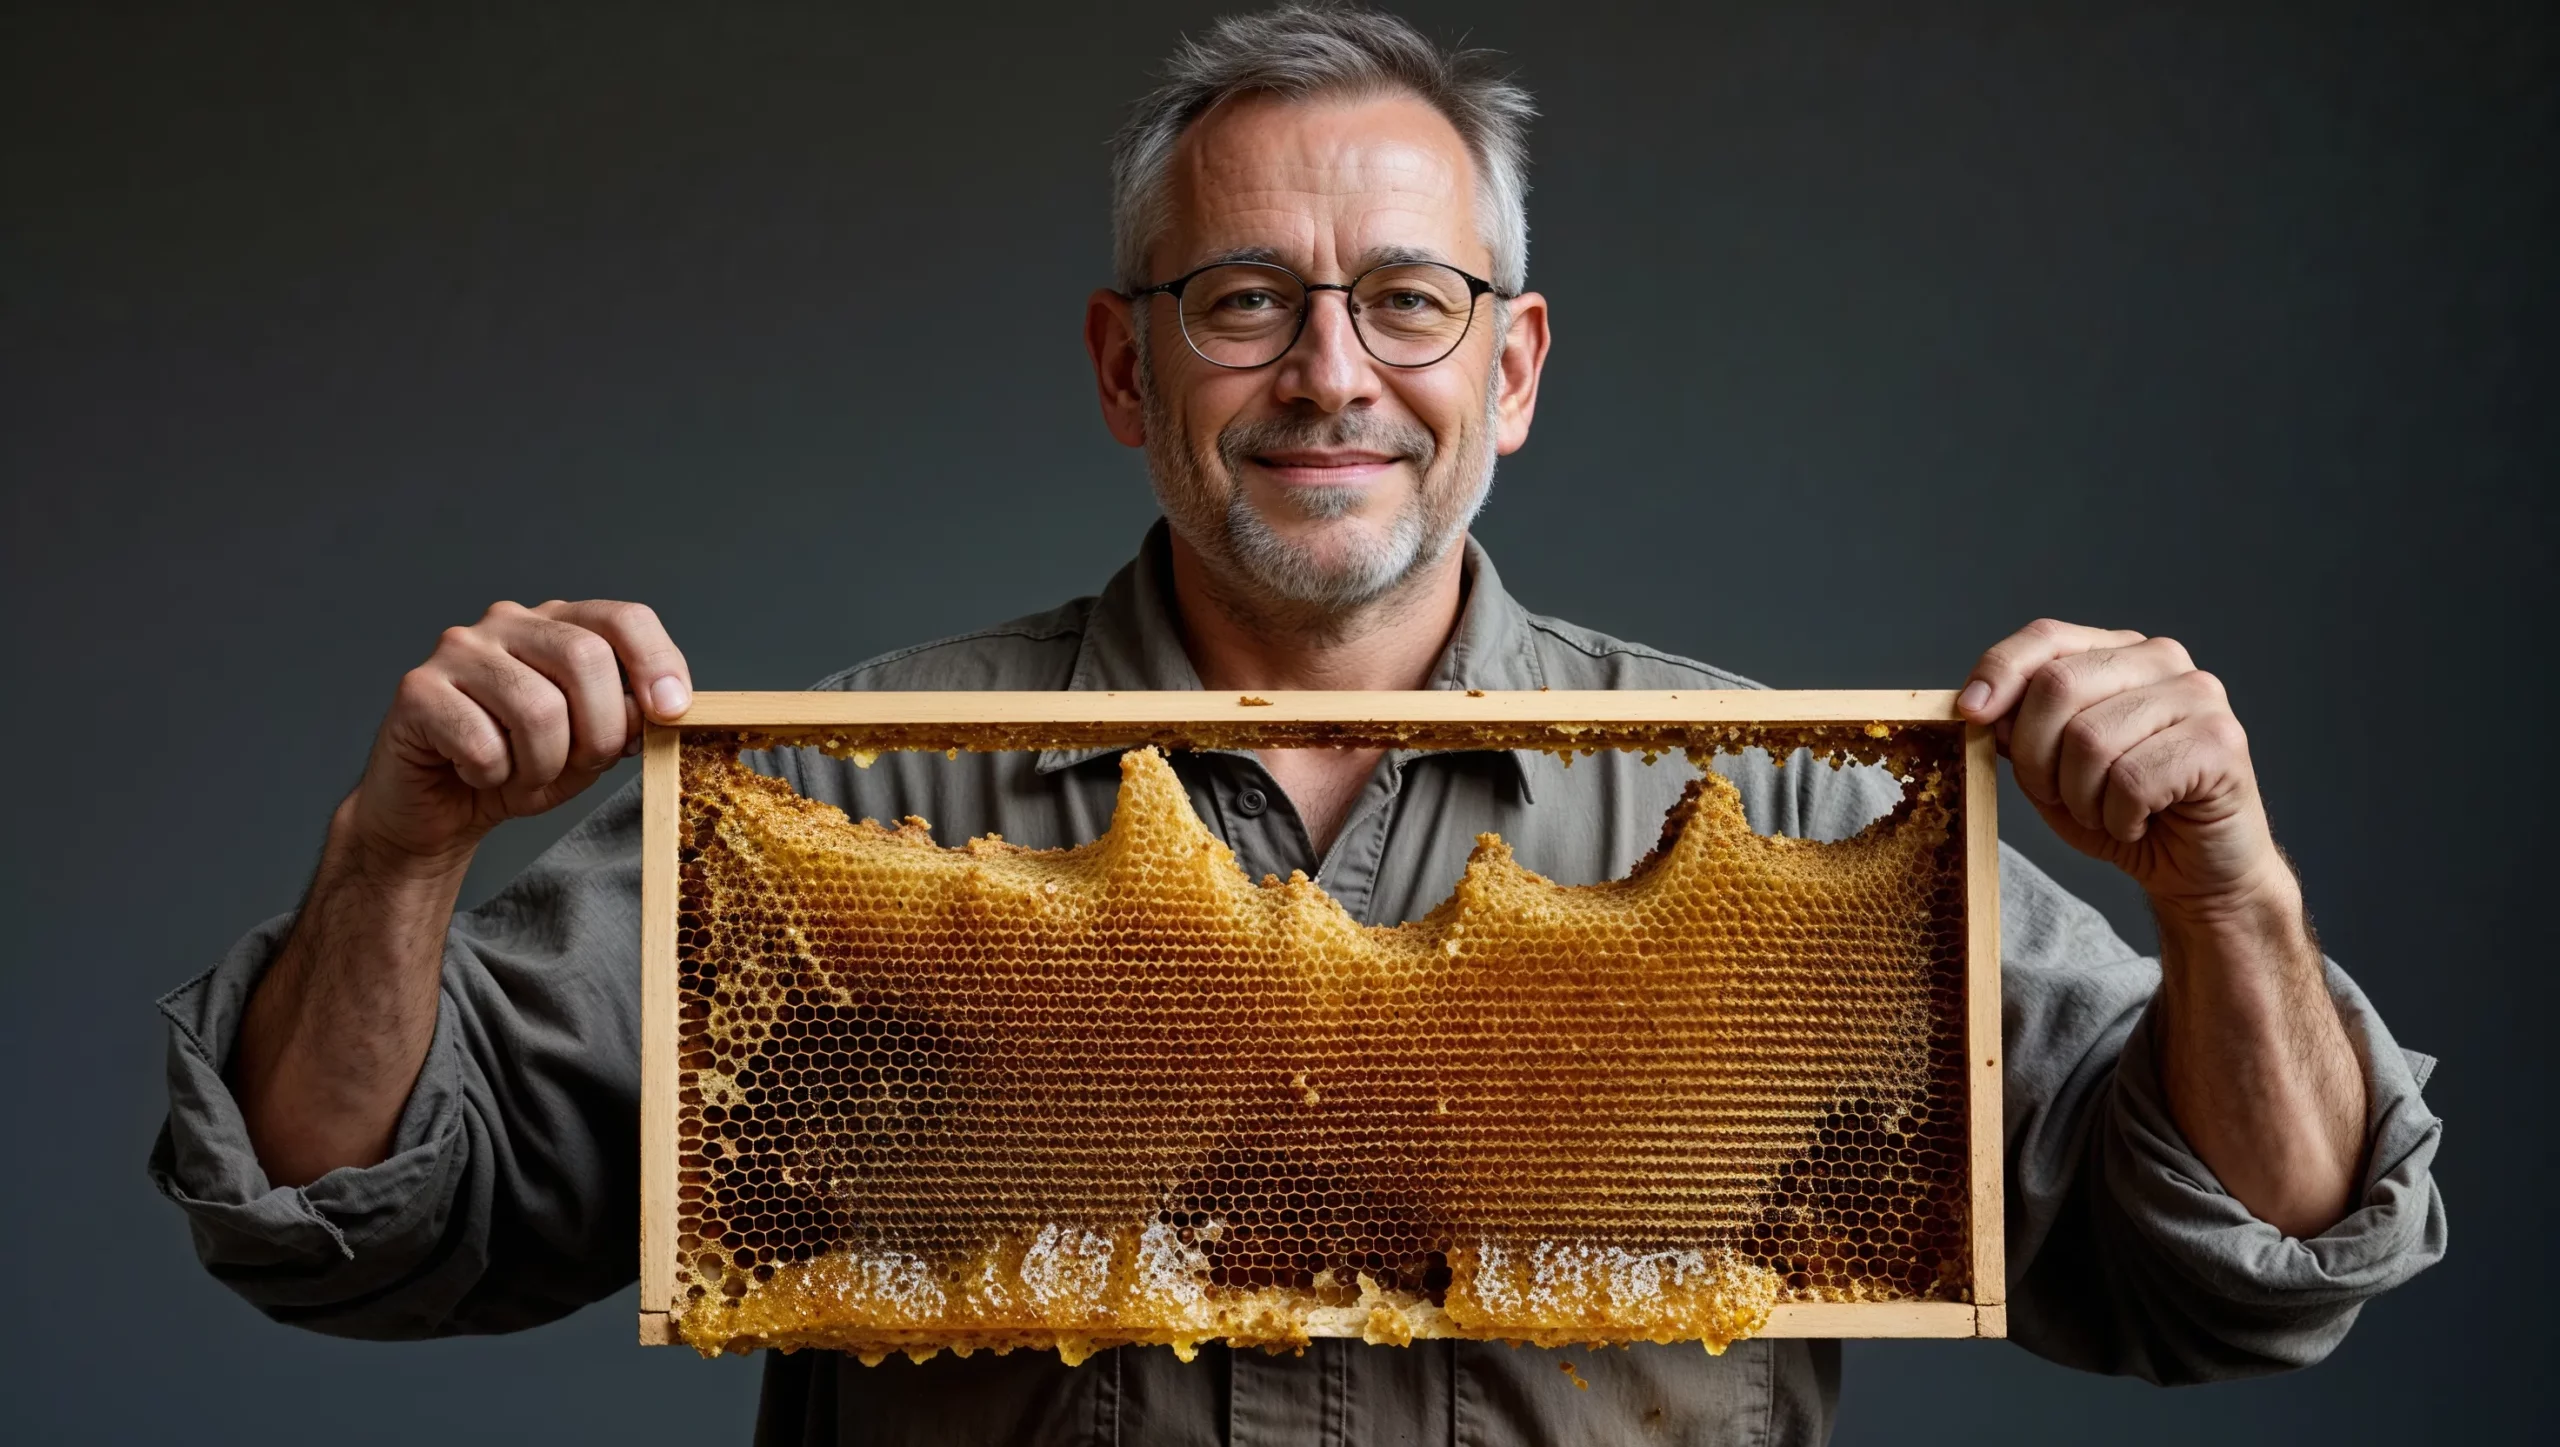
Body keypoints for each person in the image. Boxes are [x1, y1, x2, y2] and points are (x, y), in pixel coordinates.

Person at [149, 6, 2444, 1443]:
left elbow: (2242, 1266)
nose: (1331, 372)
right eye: (1244, 300)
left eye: (1405, 302)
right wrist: (398, 859)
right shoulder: (840, 789)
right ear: (1124, 367)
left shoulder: (1798, 806)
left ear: (1512, 369)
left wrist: (2219, 891)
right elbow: (352, 1218)